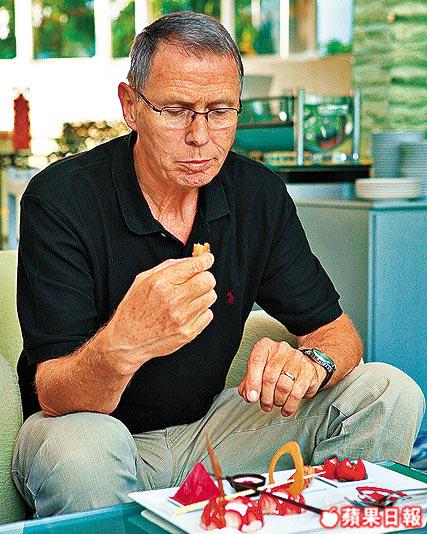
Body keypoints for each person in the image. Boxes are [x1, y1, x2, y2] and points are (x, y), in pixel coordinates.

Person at [13, 11, 424, 518]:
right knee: (82, 451)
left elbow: (338, 335)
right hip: (90, 429)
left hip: (212, 431)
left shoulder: (257, 194)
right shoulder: (62, 198)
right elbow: (55, 394)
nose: (200, 136)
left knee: (386, 391)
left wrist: (311, 363)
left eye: (220, 111)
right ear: (130, 106)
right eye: (176, 110)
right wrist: (126, 339)